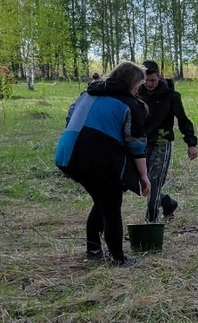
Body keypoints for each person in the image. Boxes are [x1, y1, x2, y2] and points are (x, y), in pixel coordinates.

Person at [54, 62, 151, 267]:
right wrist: (143, 176)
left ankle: (93, 249)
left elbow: (69, 118)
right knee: (111, 206)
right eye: (139, 84)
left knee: (101, 202)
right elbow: (136, 144)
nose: (139, 89)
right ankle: (118, 258)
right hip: (97, 159)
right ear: (132, 82)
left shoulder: (87, 93)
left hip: (68, 155)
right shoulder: (129, 104)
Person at [137, 60, 198, 221]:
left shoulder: (171, 96)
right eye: (146, 80)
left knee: (155, 181)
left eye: (153, 80)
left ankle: (150, 221)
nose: (149, 84)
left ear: (160, 77)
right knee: (142, 181)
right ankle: (167, 203)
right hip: (140, 142)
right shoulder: (136, 94)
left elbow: (183, 119)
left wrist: (191, 143)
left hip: (161, 142)